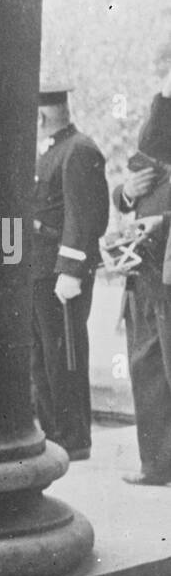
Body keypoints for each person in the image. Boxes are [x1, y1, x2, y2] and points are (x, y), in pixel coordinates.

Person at [31, 84, 109, 462]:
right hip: (39, 269)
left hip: (61, 274)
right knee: (42, 357)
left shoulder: (79, 150)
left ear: (43, 116)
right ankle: (53, 432)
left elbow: (84, 216)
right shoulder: (52, 151)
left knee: (65, 357)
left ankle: (73, 438)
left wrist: (72, 270)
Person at [110, 67, 171, 486]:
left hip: (165, 278)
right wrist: (129, 192)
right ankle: (156, 464)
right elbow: (126, 195)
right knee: (145, 368)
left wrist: (161, 221)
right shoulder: (156, 167)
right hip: (145, 277)